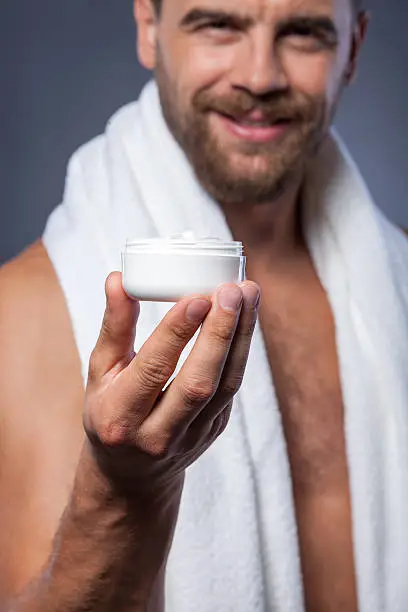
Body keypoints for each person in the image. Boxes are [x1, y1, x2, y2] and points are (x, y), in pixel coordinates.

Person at [1, 0, 407, 611]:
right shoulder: (21, 317)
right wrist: (126, 493)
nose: (260, 75)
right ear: (147, 26)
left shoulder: (397, 283)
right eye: (219, 24)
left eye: (303, 33)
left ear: (352, 49)